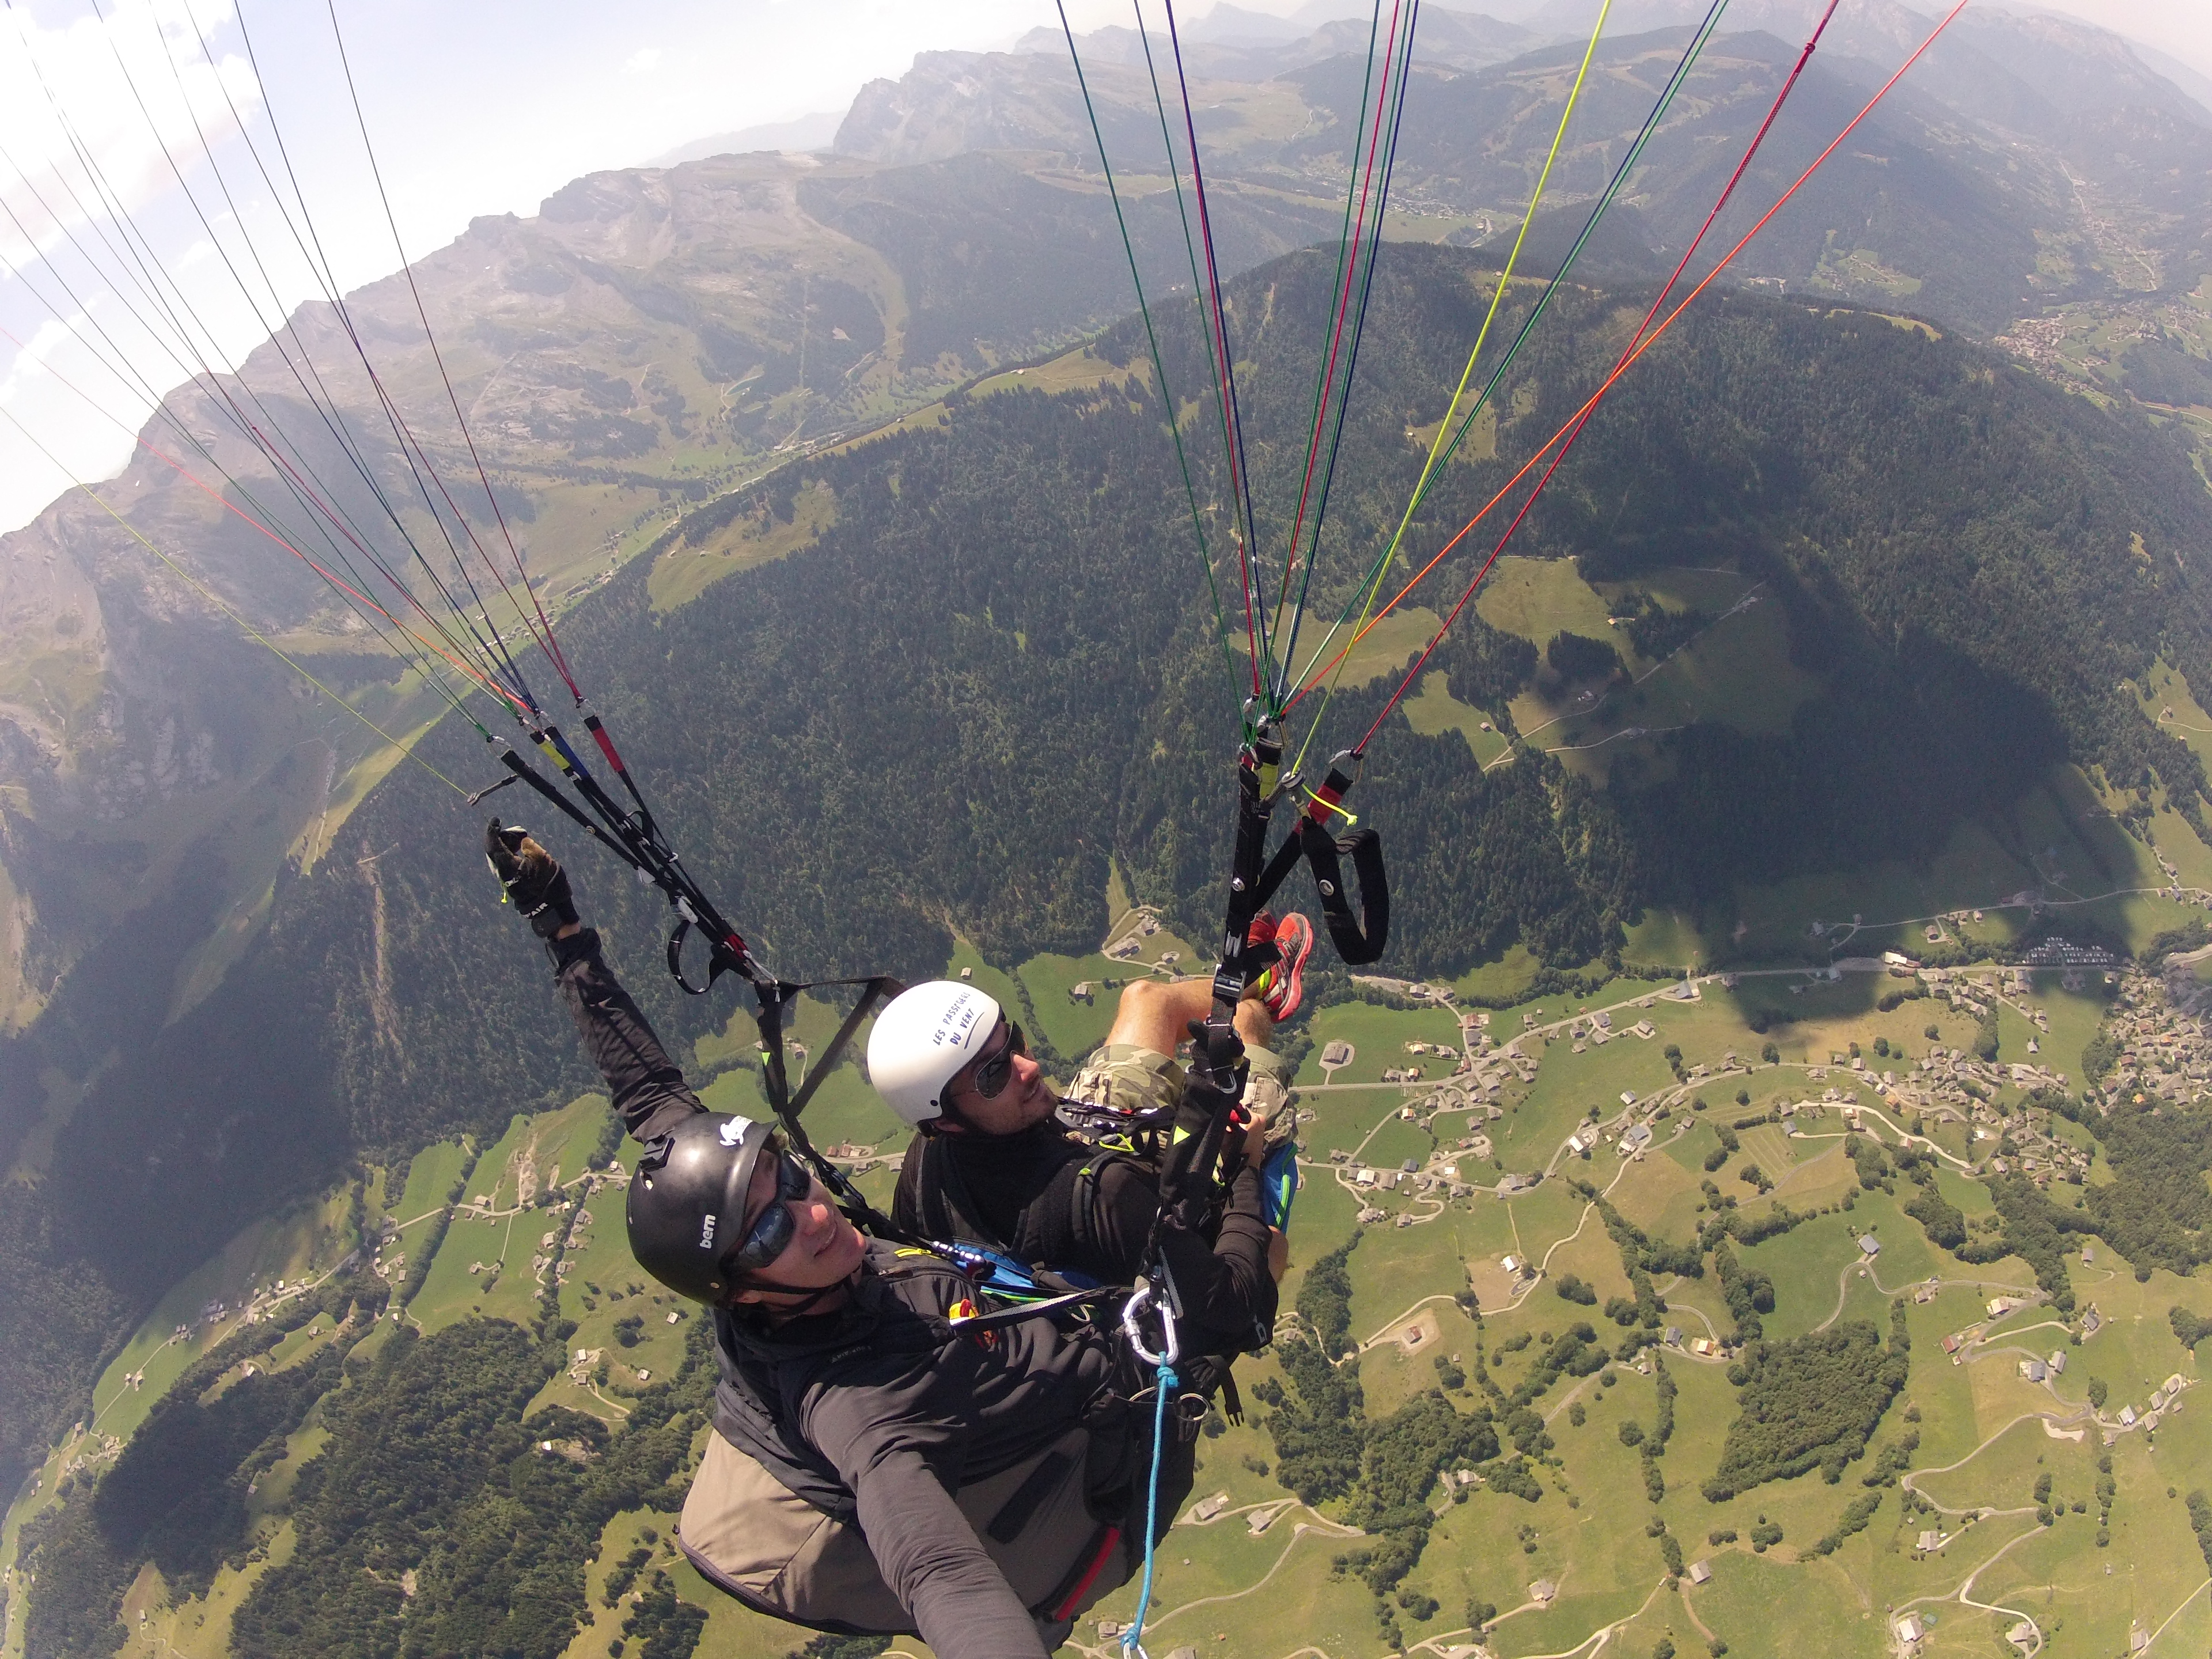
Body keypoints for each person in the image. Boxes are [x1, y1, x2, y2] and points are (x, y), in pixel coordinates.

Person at [484, 823, 1197, 1659]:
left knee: (1161, 1016)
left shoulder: (725, 1212)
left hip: (1038, 1312)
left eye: (786, 1177)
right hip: (1112, 1468)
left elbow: (646, 1090)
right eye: (774, 1228)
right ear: (739, 1290)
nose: (815, 1214)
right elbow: (940, 1575)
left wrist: (562, 932)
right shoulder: (858, 1410)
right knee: (1250, 1136)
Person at [871, 916, 1312, 1359]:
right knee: (1247, 1025)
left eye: (1013, 1043)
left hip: (1089, 1132)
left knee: (1146, 1000)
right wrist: (1246, 1169)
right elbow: (1233, 1308)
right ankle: (1263, 1000)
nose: (1030, 1068)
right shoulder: (1103, 1199)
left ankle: (1265, 980)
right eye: (994, 1074)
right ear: (946, 1121)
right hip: (1164, 1199)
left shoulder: (926, 1162)